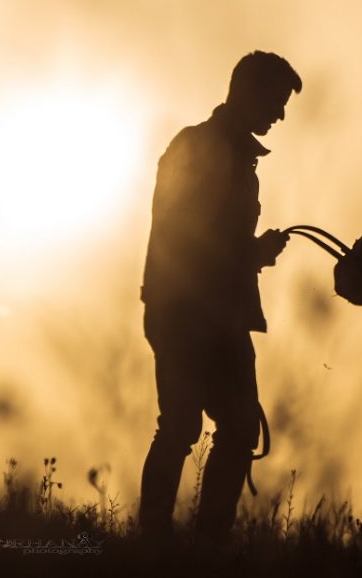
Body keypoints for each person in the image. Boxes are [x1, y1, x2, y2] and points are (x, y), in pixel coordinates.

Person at [138, 51, 301, 544]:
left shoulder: (227, 154)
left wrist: (251, 254)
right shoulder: (200, 148)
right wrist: (254, 253)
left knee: (232, 426)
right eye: (276, 101)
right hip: (186, 314)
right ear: (248, 92)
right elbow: (186, 235)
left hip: (218, 316)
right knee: (184, 426)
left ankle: (201, 546)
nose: (280, 114)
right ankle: (160, 545)